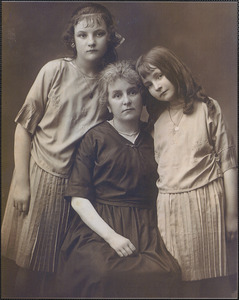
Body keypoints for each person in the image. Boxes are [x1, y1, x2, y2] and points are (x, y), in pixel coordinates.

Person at [1, 3, 125, 297]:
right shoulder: (54, 71)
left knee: (64, 265)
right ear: (73, 39)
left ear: (111, 38)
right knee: (29, 263)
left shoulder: (111, 82)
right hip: (41, 175)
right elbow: (24, 127)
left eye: (98, 33)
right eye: (83, 35)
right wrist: (21, 182)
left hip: (80, 186)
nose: (91, 41)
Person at [54, 60, 182, 298]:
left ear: (142, 97)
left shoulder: (155, 135)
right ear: (108, 104)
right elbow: (78, 199)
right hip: (99, 226)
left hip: (147, 227)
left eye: (132, 92)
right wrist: (111, 237)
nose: (126, 100)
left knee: (166, 272)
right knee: (104, 273)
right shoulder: (95, 138)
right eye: (117, 95)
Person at [136, 45, 238, 298]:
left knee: (215, 281)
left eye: (159, 76)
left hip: (207, 204)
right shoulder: (155, 123)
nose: (156, 86)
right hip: (170, 208)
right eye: (149, 84)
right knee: (180, 281)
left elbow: (228, 164)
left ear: (173, 69)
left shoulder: (208, 108)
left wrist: (232, 215)